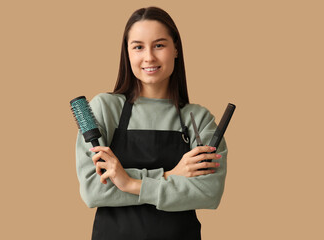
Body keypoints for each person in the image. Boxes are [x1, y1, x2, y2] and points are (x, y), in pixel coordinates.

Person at [76, 6, 228, 240]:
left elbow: (208, 193)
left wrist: (129, 183)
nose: (149, 57)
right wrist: (170, 175)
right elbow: (93, 190)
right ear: (127, 53)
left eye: (159, 45)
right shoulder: (105, 109)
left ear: (175, 49)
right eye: (138, 47)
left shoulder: (198, 120)